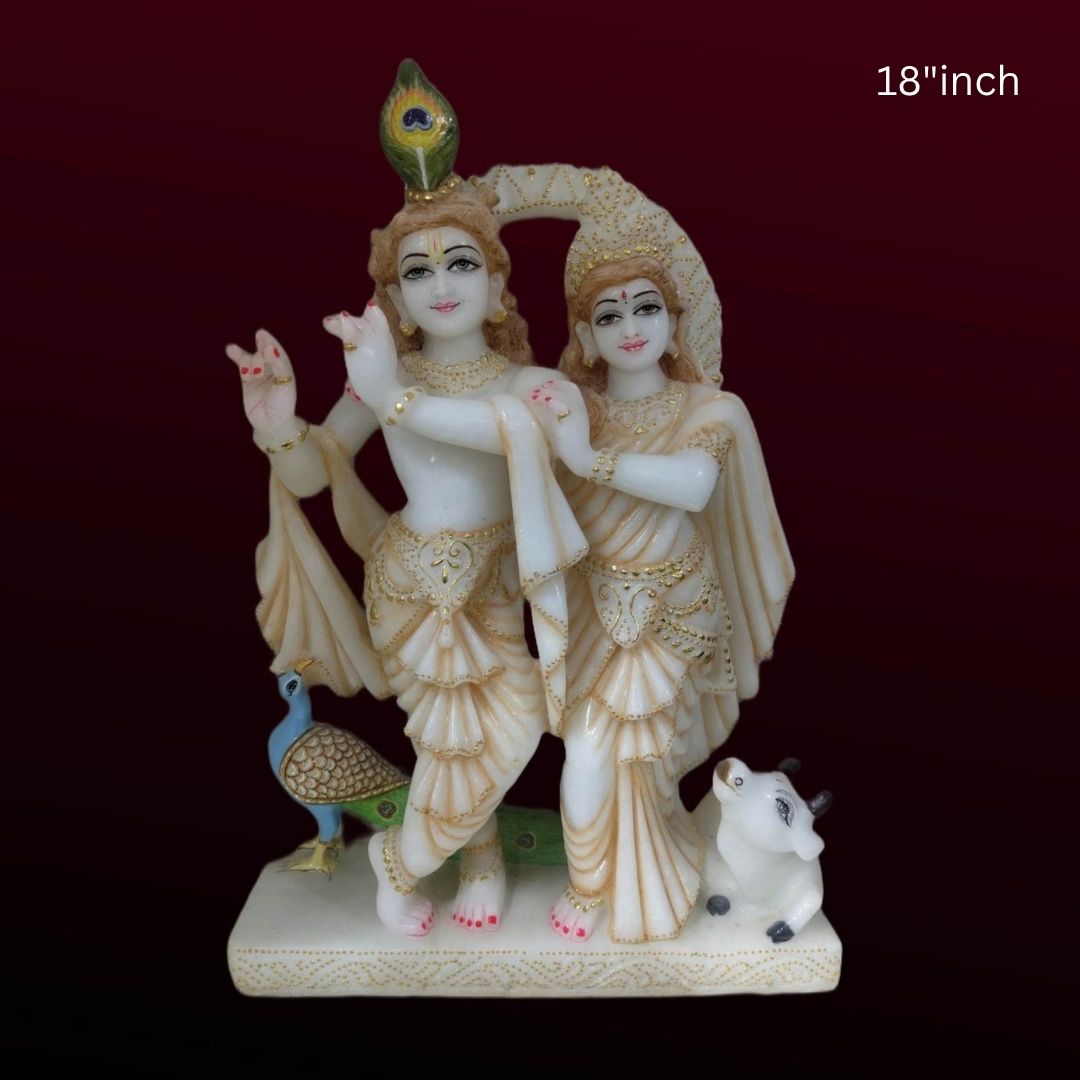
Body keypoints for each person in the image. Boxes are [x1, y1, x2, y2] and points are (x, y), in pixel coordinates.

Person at [226, 65, 584, 937]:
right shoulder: (379, 379)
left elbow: (514, 435)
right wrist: (279, 426)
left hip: (495, 583)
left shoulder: (527, 384)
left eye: (462, 262)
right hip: (410, 584)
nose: (441, 283)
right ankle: (481, 860)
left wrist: (394, 396)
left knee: (515, 728)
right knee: (445, 743)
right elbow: (315, 474)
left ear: (497, 286)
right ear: (397, 298)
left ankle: (398, 861)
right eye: (417, 271)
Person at [486, 164, 795, 942]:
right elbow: (518, 467)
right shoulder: (574, 410)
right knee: (592, 758)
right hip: (597, 615)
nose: (630, 327)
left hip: (674, 618)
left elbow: (693, 484)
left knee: (618, 758)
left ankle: (623, 883)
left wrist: (588, 460)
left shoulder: (710, 408)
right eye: (609, 314)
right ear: (585, 336)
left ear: (673, 320)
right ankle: (603, 881)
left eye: (646, 307)